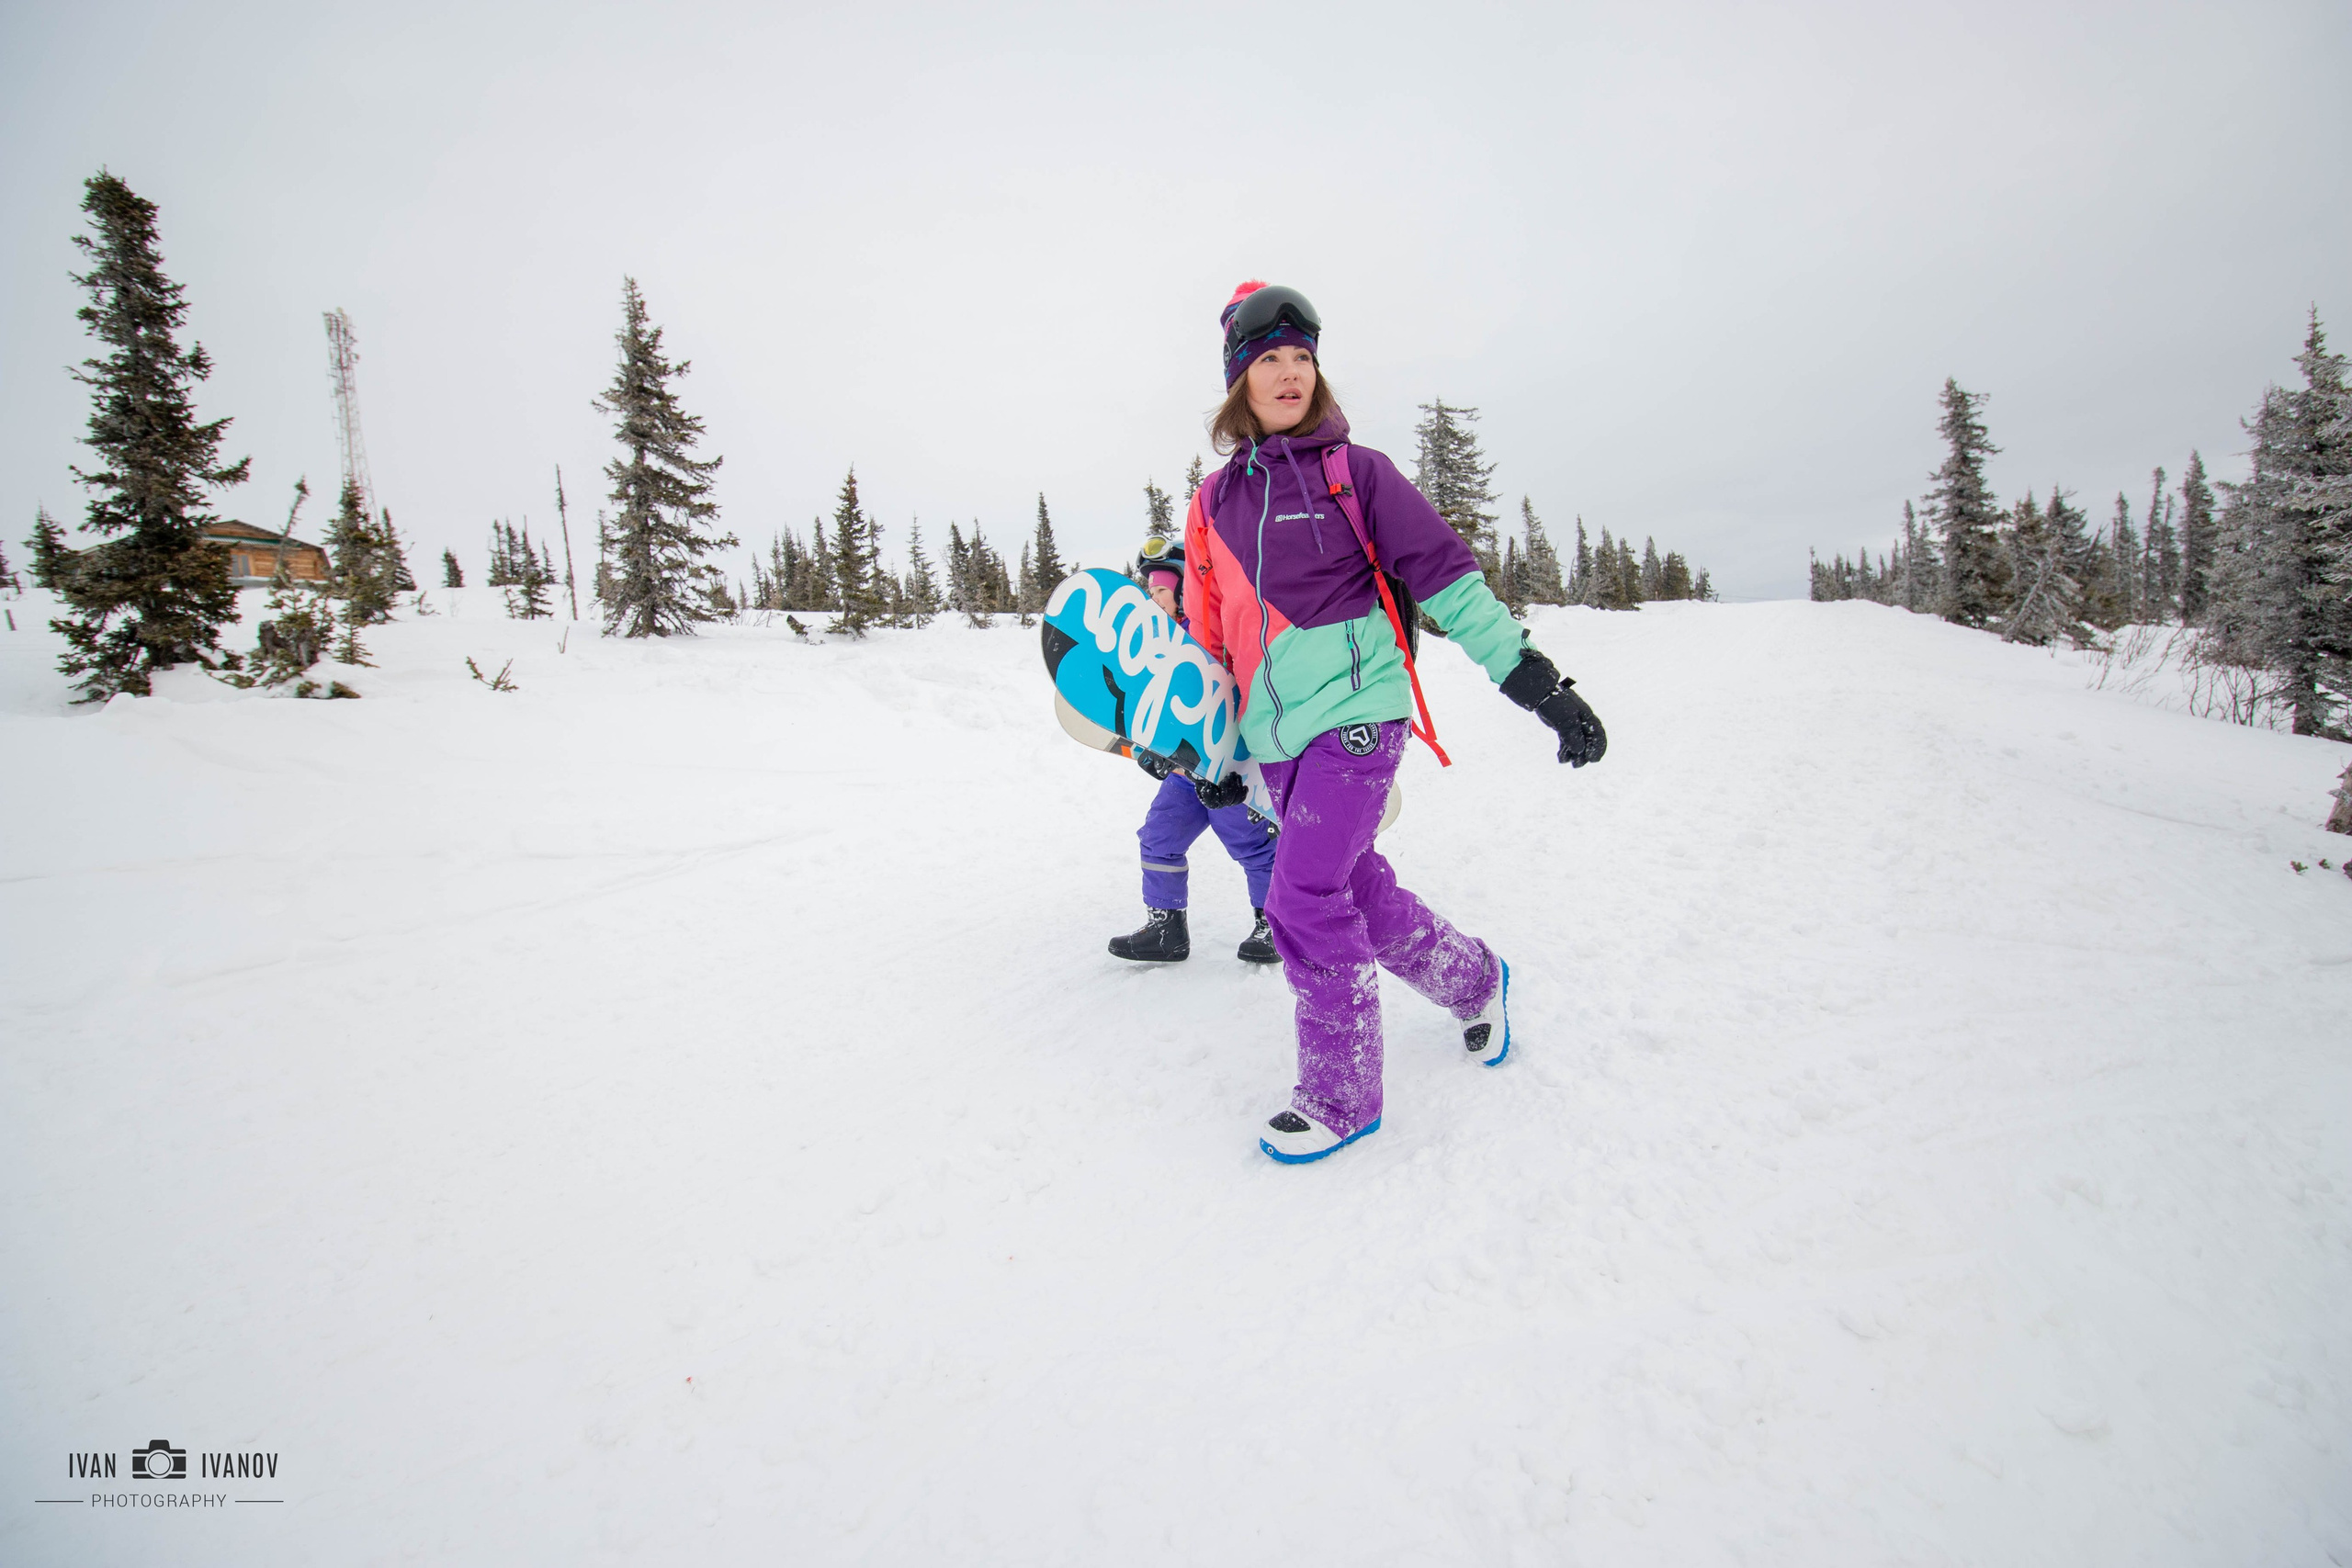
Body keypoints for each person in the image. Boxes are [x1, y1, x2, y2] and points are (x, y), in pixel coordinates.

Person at [1182, 281, 1608, 1164]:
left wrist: (1537, 684)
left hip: (1360, 716)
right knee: (1354, 887)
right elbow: (1206, 637)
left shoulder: (1356, 473)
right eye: (1270, 361)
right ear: (1240, 383)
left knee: (1299, 894)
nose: (1291, 374)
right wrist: (1200, 745)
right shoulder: (1214, 502)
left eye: (1303, 359)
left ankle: (1341, 1092)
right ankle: (1477, 980)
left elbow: (1450, 580)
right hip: (1273, 738)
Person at [1106, 537, 1282, 965]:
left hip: (1228, 772)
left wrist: (1242, 766)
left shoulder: (1210, 637)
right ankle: (1167, 929)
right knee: (1159, 837)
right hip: (1186, 774)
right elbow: (1155, 710)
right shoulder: (1152, 646)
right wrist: (1149, 751)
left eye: (1161, 589)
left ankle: (1275, 924)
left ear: (1186, 589)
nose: (1153, 597)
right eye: (1149, 589)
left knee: (1254, 847)